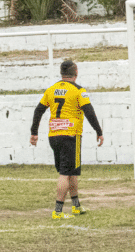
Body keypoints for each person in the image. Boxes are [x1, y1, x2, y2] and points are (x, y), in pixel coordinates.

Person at [30, 60, 104, 219]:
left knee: (71, 171)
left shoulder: (51, 89)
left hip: (54, 136)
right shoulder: (78, 91)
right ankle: (58, 211)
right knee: (65, 173)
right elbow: (89, 111)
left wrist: (34, 132)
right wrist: (99, 131)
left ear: (61, 73)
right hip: (71, 135)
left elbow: (38, 110)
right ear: (76, 72)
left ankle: (76, 206)